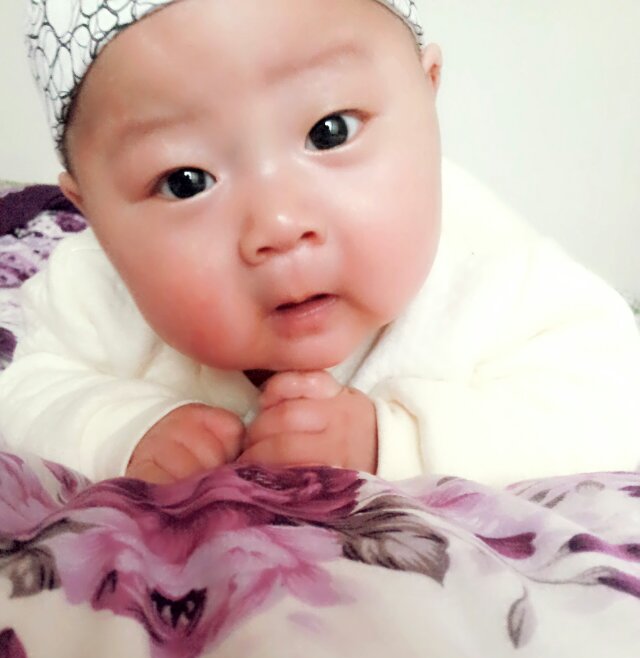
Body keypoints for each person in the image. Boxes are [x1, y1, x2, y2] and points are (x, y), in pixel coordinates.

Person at [1, 0, 639, 486]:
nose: (278, 225)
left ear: (427, 93)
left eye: (329, 131)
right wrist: (120, 431)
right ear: (93, 213)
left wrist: (393, 441)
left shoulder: (492, 271)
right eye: (184, 181)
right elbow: (27, 396)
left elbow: (616, 403)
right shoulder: (94, 288)